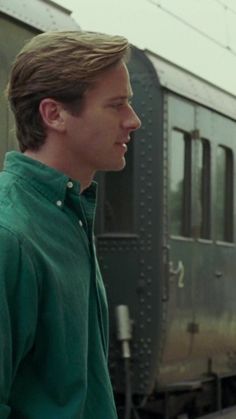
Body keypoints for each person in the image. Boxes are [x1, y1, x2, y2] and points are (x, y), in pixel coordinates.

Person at [0, 31, 141, 419]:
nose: (133, 120)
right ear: (54, 114)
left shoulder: (66, 215)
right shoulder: (10, 236)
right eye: (116, 106)